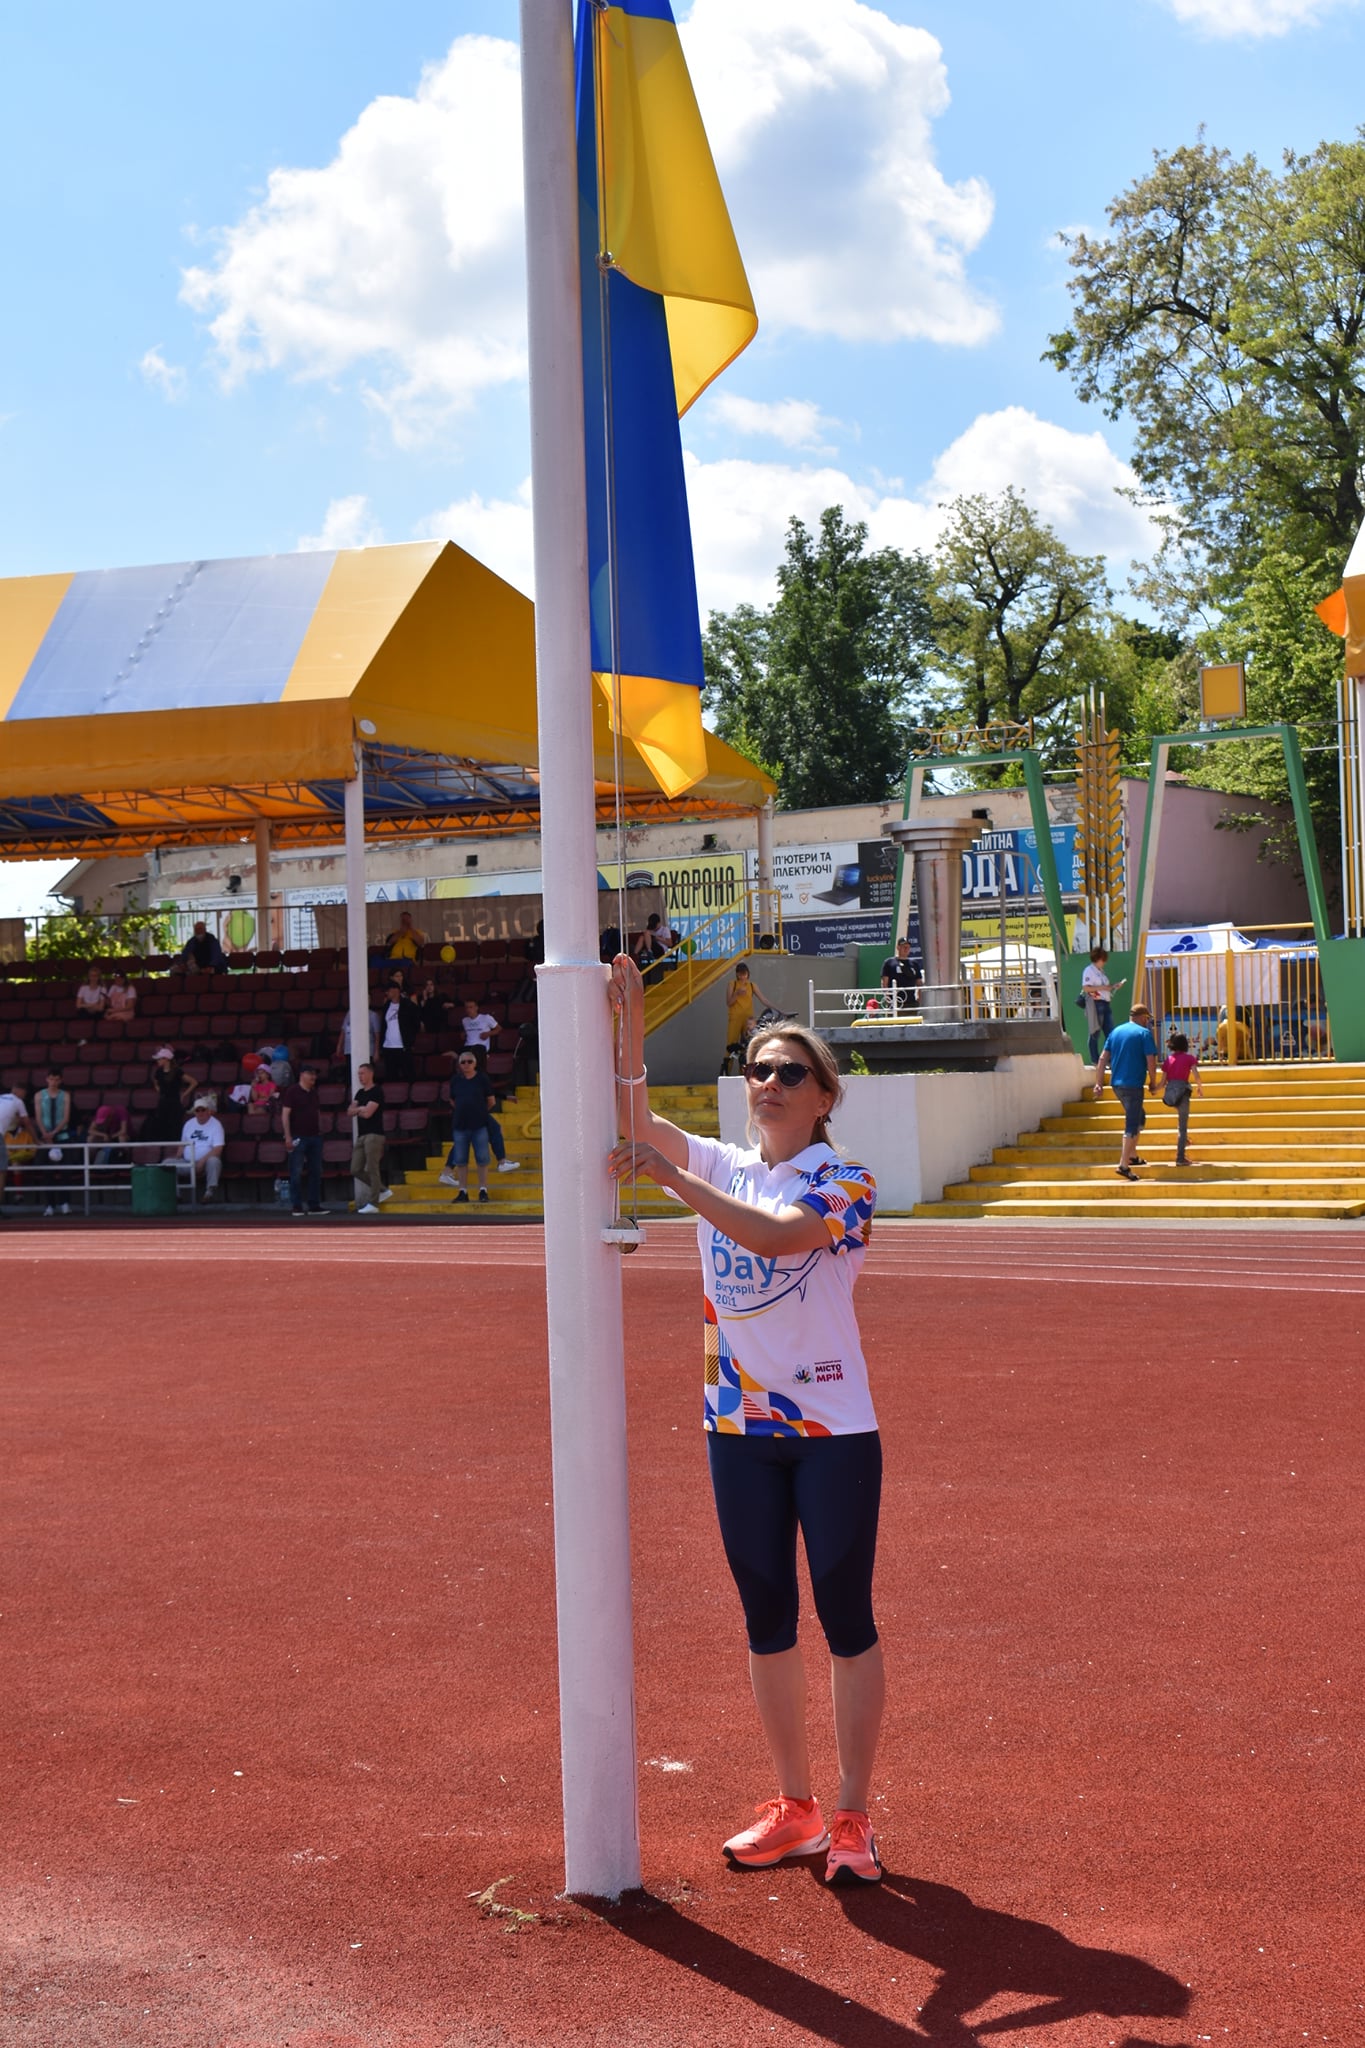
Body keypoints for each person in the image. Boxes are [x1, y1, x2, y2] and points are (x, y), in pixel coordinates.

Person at [608, 952, 884, 1887]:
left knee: (844, 1618)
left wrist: (669, 1182)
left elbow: (770, 1236)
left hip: (831, 1431)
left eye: (788, 1072)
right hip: (736, 1428)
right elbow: (631, 1123)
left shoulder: (844, 1181)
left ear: (822, 1095)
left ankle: (852, 1813)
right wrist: (627, 1023)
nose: (767, 1083)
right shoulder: (727, 1161)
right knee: (767, 1617)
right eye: (757, 1069)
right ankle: (796, 1807)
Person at [1093, 1000, 1159, 1182]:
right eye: (1147, 1018)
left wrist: (1098, 1083)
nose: (1148, 1022)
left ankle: (1132, 1155)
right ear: (1143, 1017)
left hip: (1117, 1085)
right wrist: (1153, 1082)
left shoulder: (1115, 1032)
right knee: (1132, 1123)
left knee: (1139, 1116)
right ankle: (1123, 1164)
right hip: (1133, 1085)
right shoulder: (1144, 1033)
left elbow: (1102, 1058)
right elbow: (1151, 1060)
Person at [437, 1050, 497, 1203]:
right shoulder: (456, 1080)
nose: (466, 1064)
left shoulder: (482, 1079)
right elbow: (452, 1100)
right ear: (459, 1065)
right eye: (463, 1062)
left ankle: (483, 1189)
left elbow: (491, 1100)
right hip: (460, 1125)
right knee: (461, 1159)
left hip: (479, 1124)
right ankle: (462, 1191)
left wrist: (479, 1112)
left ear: (475, 1063)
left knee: (482, 1158)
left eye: (469, 1061)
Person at [280, 1065, 326, 1217]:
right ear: (302, 1075)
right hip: (298, 1137)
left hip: (314, 1136)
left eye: (314, 1074)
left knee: (316, 1171)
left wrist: (320, 1129)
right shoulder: (292, 1091)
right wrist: (288, 1136)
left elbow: (317, 1112)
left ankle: (314, 1205)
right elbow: (285, 1114)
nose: (313, 1077)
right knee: (296, 1172)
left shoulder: (314, 1093)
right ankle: (297, 1205)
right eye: (310, 1073)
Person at [347, 1061, 390, 1215]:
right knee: (355, 1169)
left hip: (374, 1134)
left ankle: (374, 1202)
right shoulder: (360, 1093)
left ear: (371, 1073)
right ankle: (382, 1189)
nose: (360, 1076)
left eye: (362, 1073)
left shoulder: (377, 1091)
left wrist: (358, 1109)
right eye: (359, 1074)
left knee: (372, 1168)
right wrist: (360, 1109)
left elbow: (368, 1113)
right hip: (362, 1135)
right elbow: (350, 1111)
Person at [1160, 1031, 1204, 1167]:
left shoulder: (1168, 1060)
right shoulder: (1189, 1058)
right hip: (1183, 1093)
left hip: (1171, 1093)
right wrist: (1199, 1087)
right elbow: (1196, 1075)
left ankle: (1184, 1141)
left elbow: (1163, 1082)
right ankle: (1180, 1157)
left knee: (1181, 1121)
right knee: (1183, 1127)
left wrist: (1154, 1089)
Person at [724, 962, 774, 1072]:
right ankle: (725, 1073)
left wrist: (778, 1009)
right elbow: (729, 1002)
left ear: (748, 974)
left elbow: (763, 999)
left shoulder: (752, 985)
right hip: (735, 1018)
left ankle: (744, 1073)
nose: (742, 977)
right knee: (731, 1046)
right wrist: (736, 994)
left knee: (746, 1046)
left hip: (748, 1020)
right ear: (737, 974)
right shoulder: (732, 984)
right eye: (740, 974)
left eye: (744, 974)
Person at [1080, 946, 1126, 1067]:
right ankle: (1095, 1059)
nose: (1104, 962)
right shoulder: (1089, 970)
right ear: (1099, 959)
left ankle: (1108, 1060)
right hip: (1096, 1003)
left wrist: (1113, 986)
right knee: (1094, 1032)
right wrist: (1103, 988)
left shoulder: (1101, 971)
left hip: (1105, 1002)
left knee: (1110, 1033)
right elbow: (1086, 988)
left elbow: (1105, 987)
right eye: (1103, 960)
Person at [140, 1047, 191, 1147]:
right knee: (162, 1126)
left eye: (159, 1059)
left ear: (166, 1059)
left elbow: (193, 1082)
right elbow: (155, 1082)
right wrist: (160, 1091)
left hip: (175, 1103)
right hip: (163, 1103)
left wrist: (184, 1094)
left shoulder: (177, 1071)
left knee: (174, 1127)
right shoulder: (159, 1072)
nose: (158, 1061)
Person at [0, 1081, 37, 1215]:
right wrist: (36, 1140)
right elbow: (27, 1123)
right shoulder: (18, 1101)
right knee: (1, 1172)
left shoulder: (1, 1098)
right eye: (24, 1093)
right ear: (18, 1091)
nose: (24, 1096)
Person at [180, 1097, 226, 1202]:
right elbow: (182, 1144)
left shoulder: (216, 1125)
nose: (200, 1113)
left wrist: (202, 1161)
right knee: (168, 1164)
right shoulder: (188, 1124)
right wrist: (178, 1156)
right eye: (197, 1110)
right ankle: (175, 1195)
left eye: (203, 1110)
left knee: (214, 1161)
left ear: (208, 1111)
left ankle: (209, 1193)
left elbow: (218, 1149)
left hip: (205, 1162)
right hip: (188, 1161)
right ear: (194, 1112)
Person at [379, 980, 419, 1083]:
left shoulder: (408, 1005)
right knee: (391, 1076)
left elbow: (415, 1024)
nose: (386, 993)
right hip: (388, 1047)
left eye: (388, 990)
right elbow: (383, 1026)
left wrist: (410, 1040)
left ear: (395, 990)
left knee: (409, 1075)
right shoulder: (386, 1006)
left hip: (403, 1046)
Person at [879, 937, 923, 1012]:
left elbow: (919, 983)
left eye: (908, 947)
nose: (906, 949)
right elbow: (884, 983)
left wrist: (920, 998)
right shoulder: (889, 963)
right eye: (904, 947)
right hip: (895, 1003)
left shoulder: (914, 964)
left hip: (911, 1003)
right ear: (898, 947)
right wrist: (887, 998)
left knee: (913, 1023)